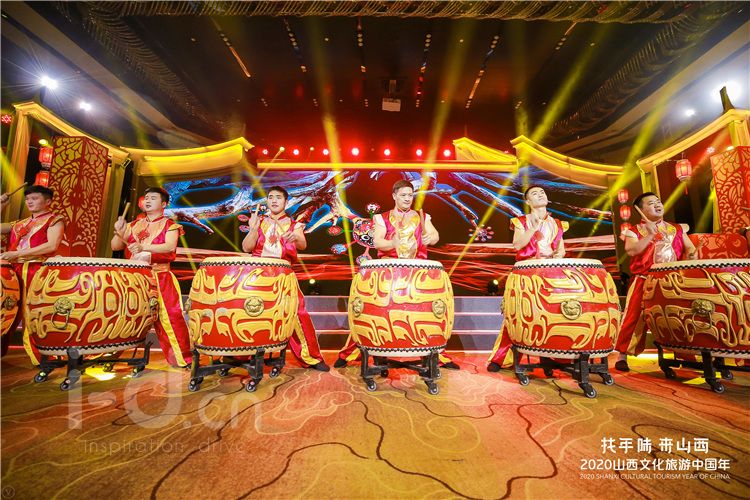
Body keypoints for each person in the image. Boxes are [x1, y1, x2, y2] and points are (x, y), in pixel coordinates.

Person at [334, 179, 459, 370]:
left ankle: (437, 354)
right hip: (388, 276)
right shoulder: (381, 218)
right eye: (403, 195)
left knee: (426, 315)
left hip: (417, 275)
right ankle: (352, 351)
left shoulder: (422, 216)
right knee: (372, 312)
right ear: (394, 196)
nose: (407, 199)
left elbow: (435, 236)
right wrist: (392, 243)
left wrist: (430, 237)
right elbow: (377, 242)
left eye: (410, 195)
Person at [241, 186, 330, 371]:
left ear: (286, 202)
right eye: (271, 197)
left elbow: (303, 245)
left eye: (278, 197)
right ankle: (240, 354)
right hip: (258, 274)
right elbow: (246, 248)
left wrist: (295, 237)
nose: (274, 200)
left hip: (283, 274)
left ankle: (311, 357)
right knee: (249, 311)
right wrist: (253, 229)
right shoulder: (258, 221)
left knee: (298, 313)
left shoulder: (294, 224)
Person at [487, 185, 568, 372]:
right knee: (518, 315)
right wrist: (533, 228)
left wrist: (557, 262)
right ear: (528, 202)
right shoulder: (521, 221)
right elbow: (517, 245)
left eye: (542, 192)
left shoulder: (557, 223)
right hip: (527, 271)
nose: (540, 195)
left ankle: (552, 356)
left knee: (551, 315)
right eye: (534, 194)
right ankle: (500, 359)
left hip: (549, 272)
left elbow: (560, 250)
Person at [614, 192, 697, 371]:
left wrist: (691, 257)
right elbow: (632, 250)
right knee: (633, 317)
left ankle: (685, 354)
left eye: (658, 201)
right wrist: (649, 235)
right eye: (651, 203)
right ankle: (622, 356)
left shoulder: (676, 229)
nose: (657, 205)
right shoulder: (635, 231)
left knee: (679, 315)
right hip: (645, 279)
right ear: (641, 210)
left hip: (672, 279)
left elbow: (690, 248)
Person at [111, 187, 192, 368]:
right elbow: (115, 246)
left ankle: (183, 358)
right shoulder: (133, 224)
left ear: (164, 204)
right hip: (134, 278)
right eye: (146, 197)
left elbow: (169, 247)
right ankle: (112, 354)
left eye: (153, 198)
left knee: (171, 317)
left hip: (160, 275)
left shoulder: (170, 225)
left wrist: (144, 247)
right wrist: (119, 231)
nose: (147, 200)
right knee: (125, 315)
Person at [0, 185, 65, 362]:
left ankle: (42, 358)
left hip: (35, 270)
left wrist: (17, 254)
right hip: (13, 270)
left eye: (34, 198)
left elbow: (52, 245)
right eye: (28, 199)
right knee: (7, 310)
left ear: (48, 201)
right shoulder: (20, 223)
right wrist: (1, 205)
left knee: (31, 312)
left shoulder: (54, 220)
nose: (29, 201)